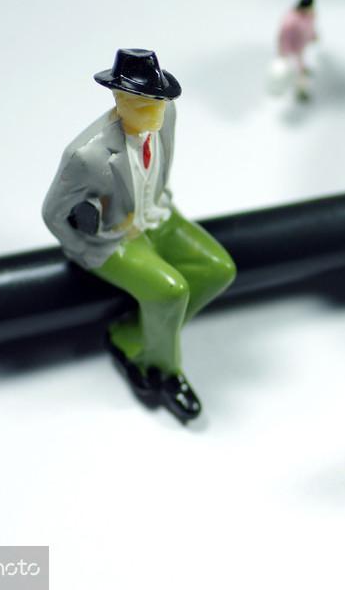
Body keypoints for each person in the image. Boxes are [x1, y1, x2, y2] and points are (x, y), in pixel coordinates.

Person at [42, 49, 236, 423]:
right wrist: (87, 247)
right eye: (144, 102)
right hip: (114, 239)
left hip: (159, 216)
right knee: (171, 291)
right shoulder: (86, 156)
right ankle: (163, 370)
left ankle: (134, 335)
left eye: (159, 100)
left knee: (219, 269)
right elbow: (52, 213)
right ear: (119, 98)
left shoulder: (166, 117)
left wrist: (155, 208)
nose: (156, 111)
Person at [274, 0, 318, 102]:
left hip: (301, 47)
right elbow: (283, 37)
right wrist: (283, 52)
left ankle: (301, 83)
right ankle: (298, 91)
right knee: (296, 70)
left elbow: (310, 27)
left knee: (301, 67)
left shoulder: (310, 15)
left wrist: (313, 36)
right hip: (292, 50)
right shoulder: (291, 20)